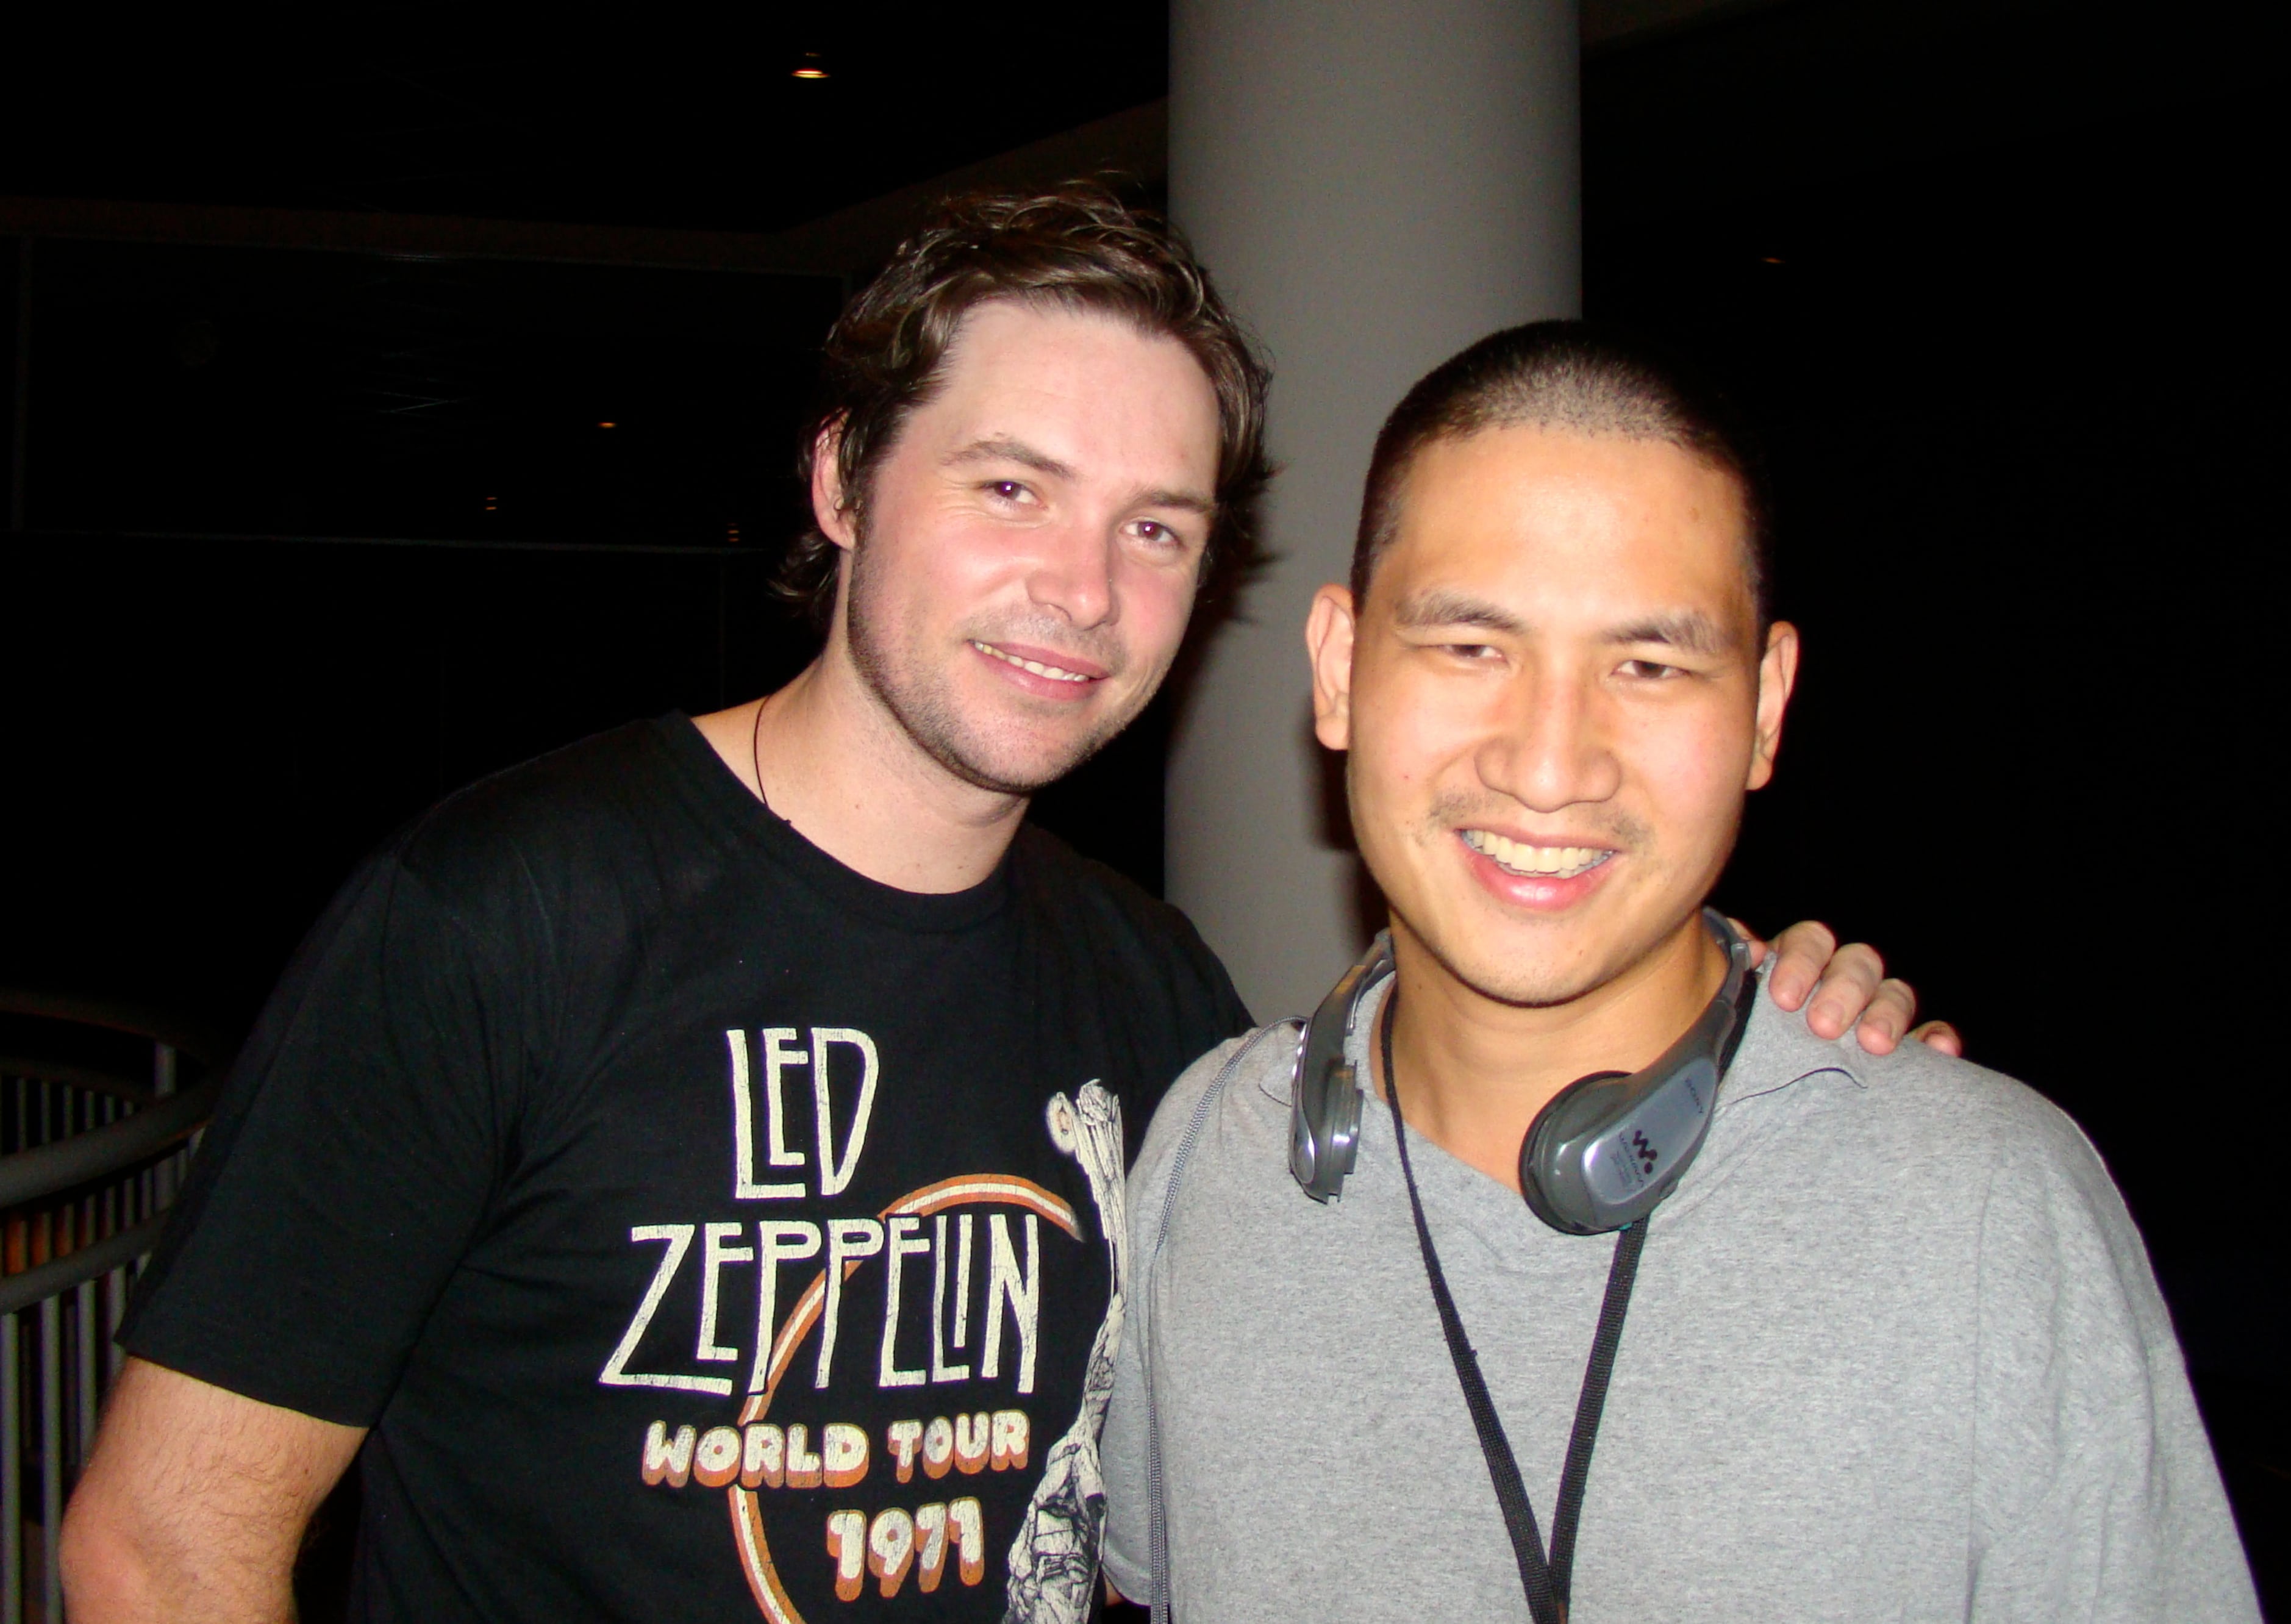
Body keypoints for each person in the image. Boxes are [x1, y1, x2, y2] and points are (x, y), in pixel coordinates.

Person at [62, 196, 1936, 1624]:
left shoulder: (1150, 993)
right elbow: (159, 1539)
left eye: (1155, 526)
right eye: (1014, 486)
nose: (1079, 589)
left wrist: (1744, 1019)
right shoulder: (503, 913)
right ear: (842, 481)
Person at [1099, 320, 2257, 1623]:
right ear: (1341, 671)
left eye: (1648, 666)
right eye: (1472, 647)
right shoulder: (1204, 1162)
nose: (1550, 765)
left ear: (1764, 708)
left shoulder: (1987, 1213)